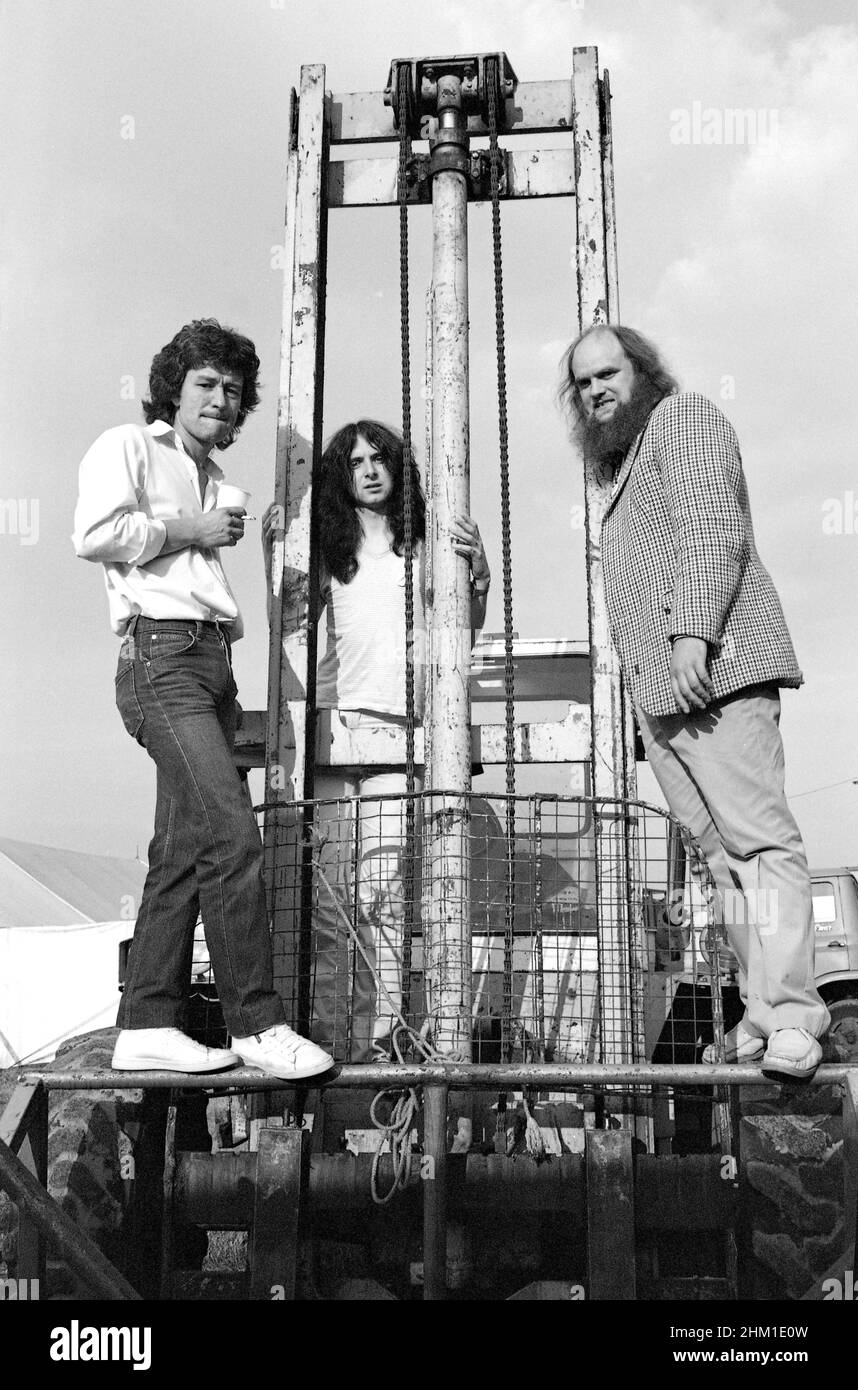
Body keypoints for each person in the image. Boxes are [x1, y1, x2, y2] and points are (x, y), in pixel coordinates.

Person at [560, 324, 829, 1081]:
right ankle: (764, 1009)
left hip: (715, 669)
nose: (596, 390)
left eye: (608, 372)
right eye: (582, 383)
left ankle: (798, 1015)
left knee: (760, 842)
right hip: (668, 693)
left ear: (642, 371)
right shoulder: (620, 466)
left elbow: (716, 527)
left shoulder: (683, 418)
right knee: (719, 857)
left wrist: (691, 637)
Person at [73, 318, 333, 1080]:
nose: (222, 399)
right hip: (161, 655)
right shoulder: (129, 446)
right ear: (174, 390)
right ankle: (256, 1023)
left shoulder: (215, 478)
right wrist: (192, 529)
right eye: (207, 384)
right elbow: (92, 533)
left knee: (182, 851)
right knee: (232, 836)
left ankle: (147, 1023)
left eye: (234, 390)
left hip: (212, 661)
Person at [263, 420, 490, 1059]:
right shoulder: (324, 552)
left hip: (401, 729)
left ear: (399, 467)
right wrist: (274, 549)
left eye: (380, 458)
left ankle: (390, 1035)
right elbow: (290, 631)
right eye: (355, 461)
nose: (368, 470)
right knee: (331, 903)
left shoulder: (424, 549)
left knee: (384, 893)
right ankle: (338, 1042)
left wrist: (478, 579)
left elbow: (458, 635)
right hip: (335, 731)